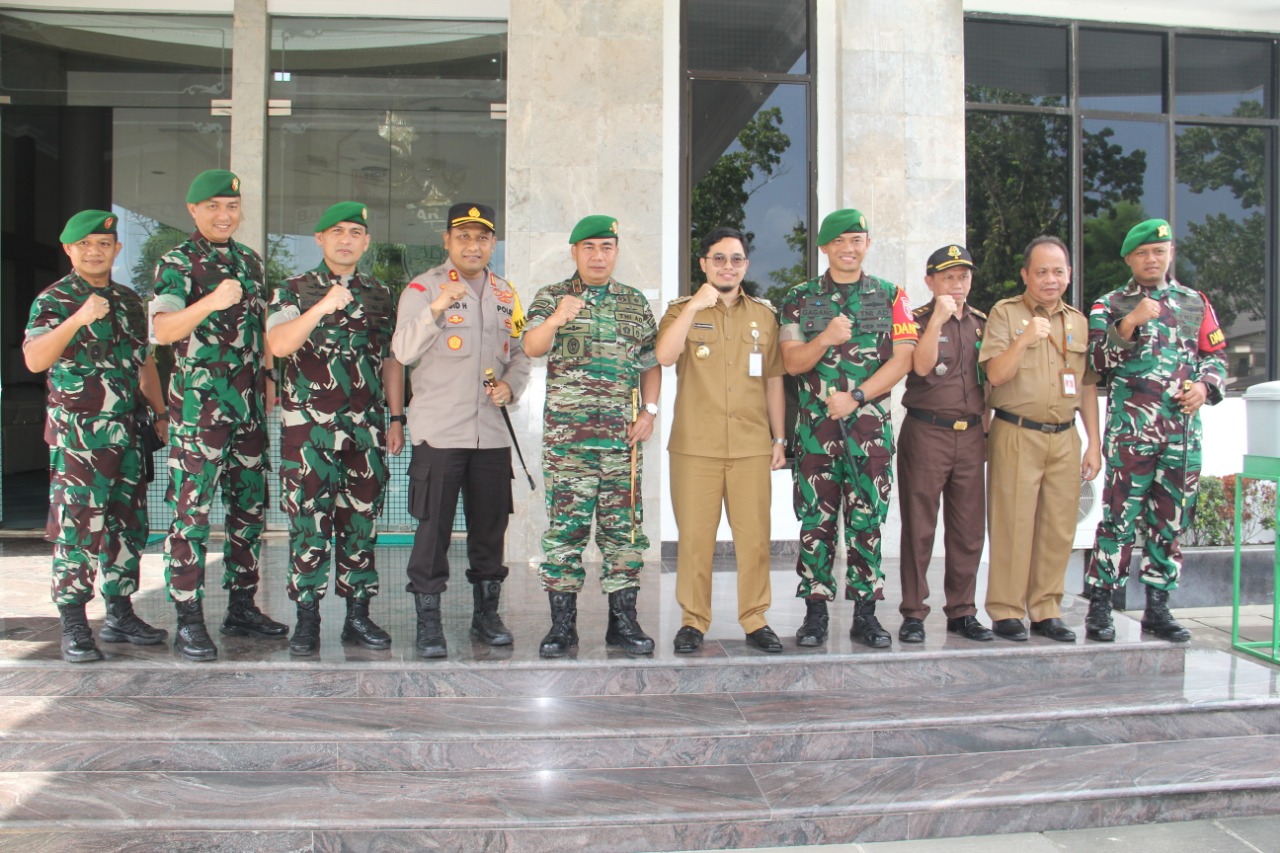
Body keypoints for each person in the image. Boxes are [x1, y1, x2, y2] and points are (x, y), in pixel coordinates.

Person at [151, 168, 287, 662]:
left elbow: (260, 331)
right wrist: (211, 299)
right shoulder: (177, 261)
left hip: (248, 409)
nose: (224, 215)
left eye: (231, 206)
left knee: (248, 512)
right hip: (200, 412)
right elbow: (163, 330)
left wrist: (269, 379)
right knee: (192, 516)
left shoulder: (250, 261)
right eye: (213, 206)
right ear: (193, 211)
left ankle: (241, 605)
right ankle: (188, 618)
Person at [24, 210, 169, 663]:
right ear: (69, 250)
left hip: (126, 434)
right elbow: (34, 359)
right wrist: (78, 319)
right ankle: (73, 623)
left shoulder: (128, 300)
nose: (95, 251)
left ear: (116, 250)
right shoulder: (55, 299)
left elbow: (144, 362)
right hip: (79, 440)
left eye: (103, 244)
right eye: (85, 244)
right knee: (79, 529)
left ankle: (121, 612)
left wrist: (161, 412)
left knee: (127, 527)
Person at [266, 202, 406, 656]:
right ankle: (307, 619)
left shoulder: (380, 294)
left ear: (366, 242)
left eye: (356, 233)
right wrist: (323, 304)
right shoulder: (292, 290)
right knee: (308, 524)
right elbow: (280, 343)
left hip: (365, 430)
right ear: (320, 240)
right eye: (337, 232)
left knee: (360, 524)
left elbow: (391, 361)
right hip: (309, 434)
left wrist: (397, 417)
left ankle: (357, 617)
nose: (346, 240)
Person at [391, 202, 529, 659]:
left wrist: (511, 386)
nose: (474, 245)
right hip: (440, 434)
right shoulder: (422, 287)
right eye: (464, 236)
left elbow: (522, 352)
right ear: (447, 241)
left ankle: (486, 615)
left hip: (490, 435)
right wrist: (435, 309)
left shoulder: (507, 293)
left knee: (491, 530)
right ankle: (428, 623)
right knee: (433, 533)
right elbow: (403, 350)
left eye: (483, 237)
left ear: (493, 244)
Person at [1083, 218, 1227, 643]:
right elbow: (1094, 363)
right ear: (1129, 258)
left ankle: (1158, 607)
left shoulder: (1194, 302)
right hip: (1132, 435)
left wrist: (1204, 387)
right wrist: (1128, 324)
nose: (1152, 259)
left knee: (1170, 523)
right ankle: (1101, 606)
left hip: (1181, 437)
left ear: (1170, 255)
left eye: (1159, 252)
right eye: (1143, 253)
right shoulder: (1108, 304)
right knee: (1118, 521)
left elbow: (1215, 357)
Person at [778, 209, 917, 648]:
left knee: (868, 522)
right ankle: (815, 614)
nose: (849, 248)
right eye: (839, 241)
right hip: (815, 436)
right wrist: (824, 339)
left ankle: (866, 613)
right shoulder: (799, 298)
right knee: (815, 524)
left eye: (856, 239)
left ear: (867, 244)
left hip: (869, 435)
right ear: (824, 248)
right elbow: (791, 362)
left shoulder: (892, 295)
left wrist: (856, 398)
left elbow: (903, 360)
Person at [523, 215, 660, 658]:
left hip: (622, 444)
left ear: (616, 251)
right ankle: (562, 627)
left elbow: (650, 361)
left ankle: (623, 623)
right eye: (589, 248)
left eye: (606, 247)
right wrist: (558, 318)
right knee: (565, 533)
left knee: (624, 534)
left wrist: (650, 410)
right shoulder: (552, 296)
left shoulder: (634, 303)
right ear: (574, 252)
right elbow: (531, 346)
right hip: (569, 446)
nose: (598, 256)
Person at [655, 226, 788, 655]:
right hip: (696, 446)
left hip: (751, 445)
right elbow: (664, 356)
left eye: (735, 259)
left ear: (746, 265)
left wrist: (779, 437)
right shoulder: (682, 310)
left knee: (754, 539)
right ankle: (694, 621)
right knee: (695, 540)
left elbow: (773, 381)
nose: (727, 266)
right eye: (718, 258)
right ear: (704, 264)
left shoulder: (764, 316)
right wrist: (696, 304)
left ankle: (756, 618)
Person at [980, 235, 1101, 643]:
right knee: (1012, 523)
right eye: (1042, 271)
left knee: (1058, 527)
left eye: (1058, 271)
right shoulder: (1005, 313)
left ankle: (1046, 609)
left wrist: (1093, 443)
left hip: (1065, 437)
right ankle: (1007, 610)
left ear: (1068, 274)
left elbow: (1086, 387)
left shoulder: (1079, 321)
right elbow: (994, 374)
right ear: (1026, 275)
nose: (1051, 279)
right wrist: (1025, 338)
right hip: (1017, 431)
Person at [896, 244, 994, 644]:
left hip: (970, 434)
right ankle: (914, 612)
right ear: (930, 280)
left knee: (968, 529)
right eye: (948, 277)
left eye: (963, 276)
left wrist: (985, 430)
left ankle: (963, 611)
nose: (957, 285)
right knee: (919, 528)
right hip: (926, 432)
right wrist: (937, 318)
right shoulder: (917, 320)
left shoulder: (982, 323)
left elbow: (990, 379)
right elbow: (919, 366)